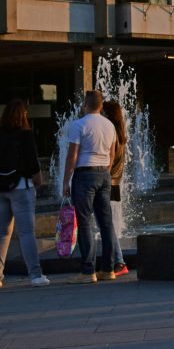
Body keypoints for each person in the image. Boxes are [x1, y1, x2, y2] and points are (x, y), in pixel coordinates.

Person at [0, 99, 49, 289]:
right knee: (26, 233)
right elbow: (33, 164)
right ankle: (35, 275)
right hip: (21, 188)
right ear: (22, 115)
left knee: (1, 233)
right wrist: (38, 182)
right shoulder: (25, 135)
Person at [63, 90, 118, 284]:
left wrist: (65, 181)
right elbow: (112, 155)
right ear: (101, 105)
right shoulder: (110, 125)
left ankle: (88, 271)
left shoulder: (78, 124)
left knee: (85, 221)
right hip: (104, 173)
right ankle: (108, 269)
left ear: (85, 104)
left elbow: (72, 156)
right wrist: (105, 171)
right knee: (106, 222)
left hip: (85, 174)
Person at [101, 100, 129, 277]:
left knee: (106, 223)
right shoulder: (119, 132)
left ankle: (119, 261)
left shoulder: (111, 133)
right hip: (113, 181)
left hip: (107, 180)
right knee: (106, 222)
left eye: (103, 112)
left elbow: (108, 160)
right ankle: (118, 260)